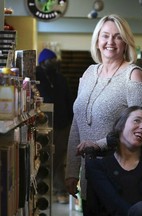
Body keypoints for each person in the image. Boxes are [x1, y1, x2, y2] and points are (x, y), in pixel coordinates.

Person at [65, 14, 142, 215]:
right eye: (105, 36)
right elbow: (76, 124)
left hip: (120, 175)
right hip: (91, 175)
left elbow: (141, 129)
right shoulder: (88, 73)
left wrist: (98, 145)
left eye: (117, 36)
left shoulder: (133, 75)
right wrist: (71, 170)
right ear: (97, 41)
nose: (110, 42)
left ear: (125, 42)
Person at [36, 48, 73, 204]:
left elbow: (69, 99)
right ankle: (39, 189)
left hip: (62, 124)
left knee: (59, 158)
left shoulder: (60, 78)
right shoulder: (35, 76)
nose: (55, 62)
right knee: (41, 156)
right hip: (42, 124)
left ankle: (60, 190)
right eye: (52, 60)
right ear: (44, 62)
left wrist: (71, 119)